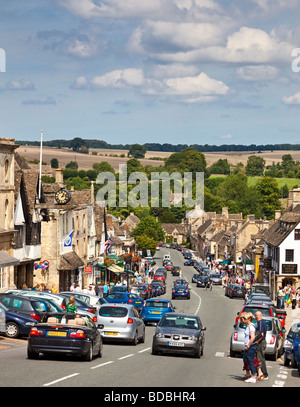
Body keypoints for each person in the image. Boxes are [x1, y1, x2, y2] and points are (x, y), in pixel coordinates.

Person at [240, 312, 258, 383]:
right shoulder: (248, 326)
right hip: (249, 346)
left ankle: (253, 376)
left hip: (251, 346)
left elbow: (252, 337)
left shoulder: (251, 326)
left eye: (244, 318)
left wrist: (248, 345)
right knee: (248, 360)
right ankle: (251, 375)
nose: (243, 319)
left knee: (251, 361)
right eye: (242, 318)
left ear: (249, 318)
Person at [255, 311, 268, 381]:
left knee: (260, 358)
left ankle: (264, 374)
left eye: (255, 316)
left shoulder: (260, 323)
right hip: (262, 341)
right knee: (260, 357)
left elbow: (261, 334)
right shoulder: (263, 322)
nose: (255, 317)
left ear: (258, 316)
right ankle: (260, 373)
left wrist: (257, 341)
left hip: (261, 342)